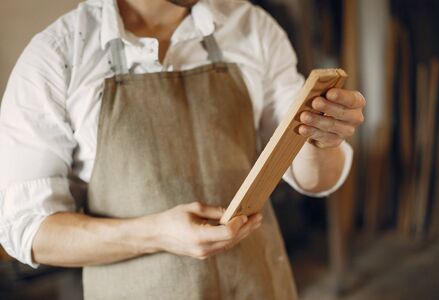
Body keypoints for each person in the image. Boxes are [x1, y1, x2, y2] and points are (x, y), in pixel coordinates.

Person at [0, 0, 366, 299]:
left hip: (260, 284)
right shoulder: (58, 55)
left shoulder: (252, 27)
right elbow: (30, 230)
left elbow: (313, 179)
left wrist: (321, 139)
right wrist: (156, 234)